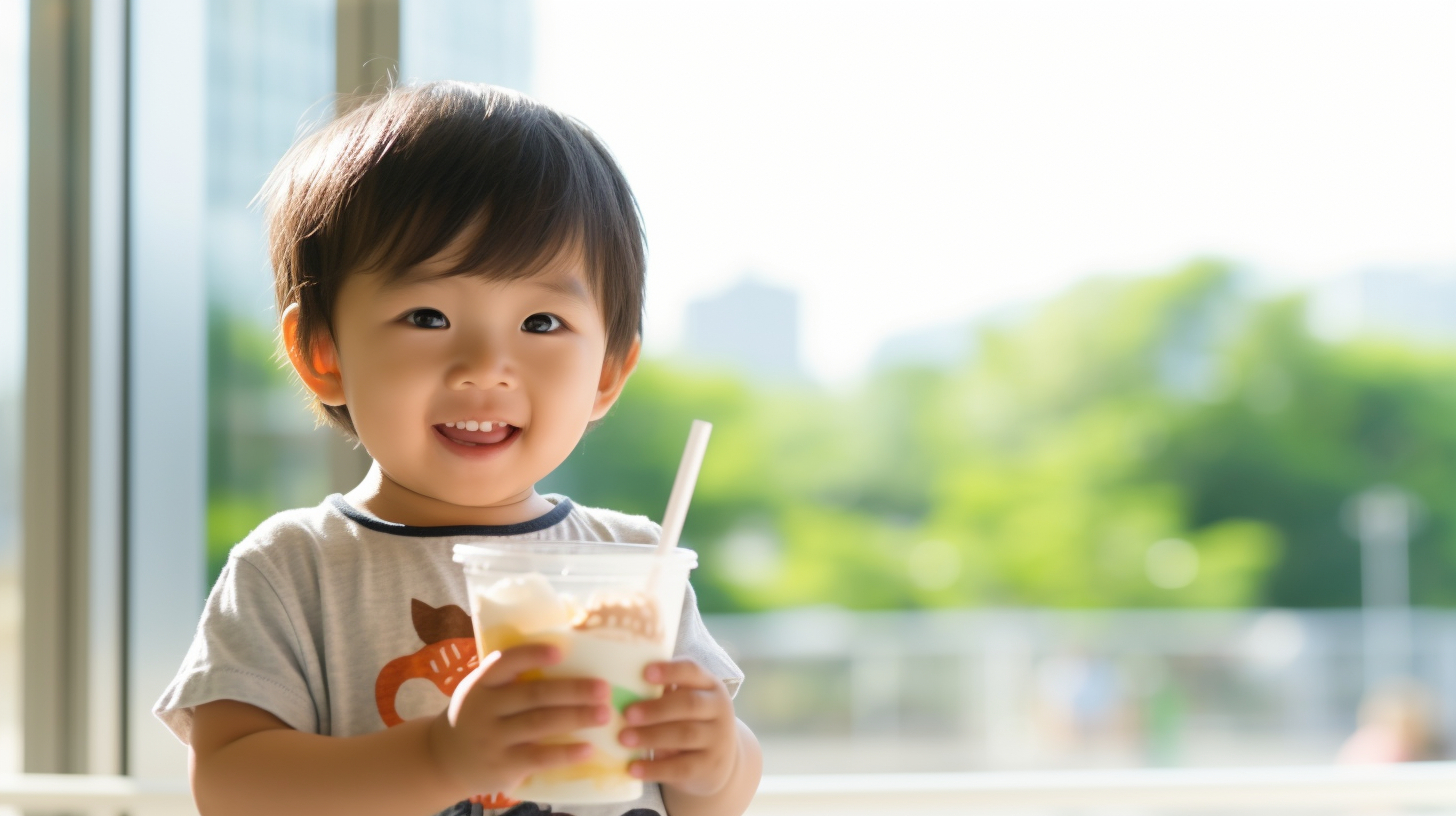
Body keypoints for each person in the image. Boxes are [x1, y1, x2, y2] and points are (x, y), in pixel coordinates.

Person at [153, 82, 763, 816]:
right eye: (428, 315)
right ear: (323, 351)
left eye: (540, 323)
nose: (484, 364)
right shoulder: (292, 569)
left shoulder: (637, 564)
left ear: (606, 374)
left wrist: (716, 761)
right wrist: (441, 757)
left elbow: (713, 798)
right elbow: (230, 785)